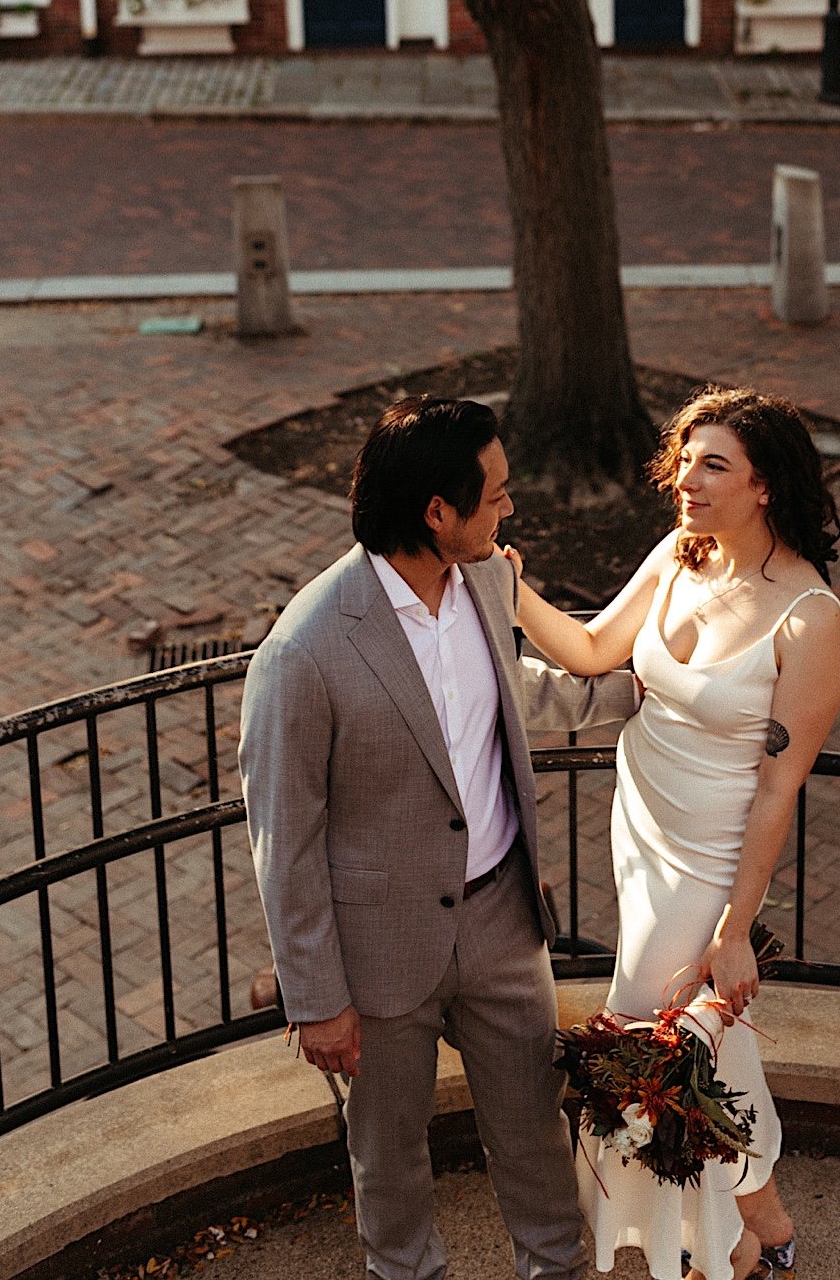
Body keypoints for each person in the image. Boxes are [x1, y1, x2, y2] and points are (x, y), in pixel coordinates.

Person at [238, 395, 640, 1280]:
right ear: (436, 512)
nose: (509, 510)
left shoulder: (487, 580)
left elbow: (512, 687)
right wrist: (317, 997)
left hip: (502, 921)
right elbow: (285, 835)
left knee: (538, 1137)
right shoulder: (304, 650)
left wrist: (640, 693)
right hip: (376, 953)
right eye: (494, 495)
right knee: (389, 1164)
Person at [505, 387, 840, 1280]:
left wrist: (736, 929)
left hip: (711, 857)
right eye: (686, 459)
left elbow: (778, 789)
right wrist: (511, 592)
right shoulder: (679, 554)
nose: (685, 480)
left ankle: (701, 1252)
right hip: (642, 828)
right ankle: (756, 1231)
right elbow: (589, 651)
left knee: (643, 1047)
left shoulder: (810, 619)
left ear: (765, 484)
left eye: (713, 465)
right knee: (701, 1045)